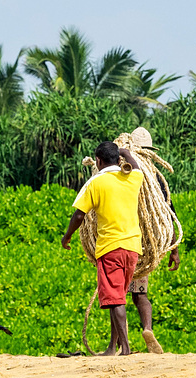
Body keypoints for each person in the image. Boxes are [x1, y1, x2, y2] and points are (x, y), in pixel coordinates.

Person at [62, 141, 143, 356]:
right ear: (119, 159)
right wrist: (126, 152)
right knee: (118, 297)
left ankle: (125, 348)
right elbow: (139, 169)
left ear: (97, 161)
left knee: (116, 299)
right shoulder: (132, 178)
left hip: (110, 247)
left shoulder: (95, 183)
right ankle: (112, 347)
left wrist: (67, 236)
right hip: (133, 248)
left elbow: (79, 214)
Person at [128, 127, 181, 354]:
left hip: (122, 241)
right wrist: (174, 250)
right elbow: (169, 212)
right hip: (145, 245)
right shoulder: (157, 179)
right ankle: (147, 328)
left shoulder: (124, 173)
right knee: (140, 293)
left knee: (118, 296)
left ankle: (121, 344)